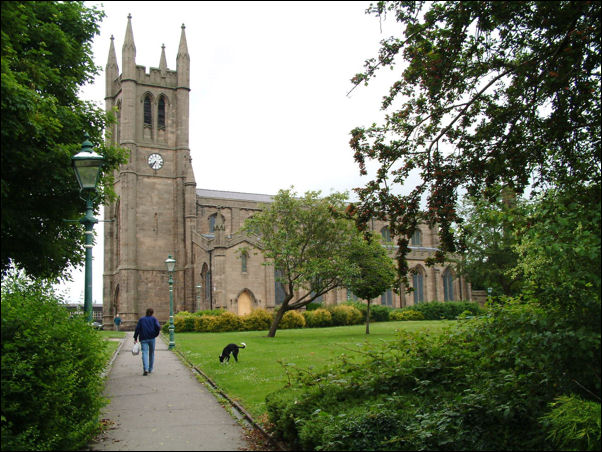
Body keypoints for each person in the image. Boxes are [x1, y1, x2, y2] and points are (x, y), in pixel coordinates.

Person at [133, 308, 162, 376]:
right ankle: (150, 369)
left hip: (143, 338)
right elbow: (158, 327)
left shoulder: (141, 319)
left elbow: (137, 329)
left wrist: (135, 337)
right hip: (152, 338)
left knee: (144, 353)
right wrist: (156, 334)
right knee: (151, 353)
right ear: (152, 313)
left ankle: (145, 369)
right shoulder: (154, 319)